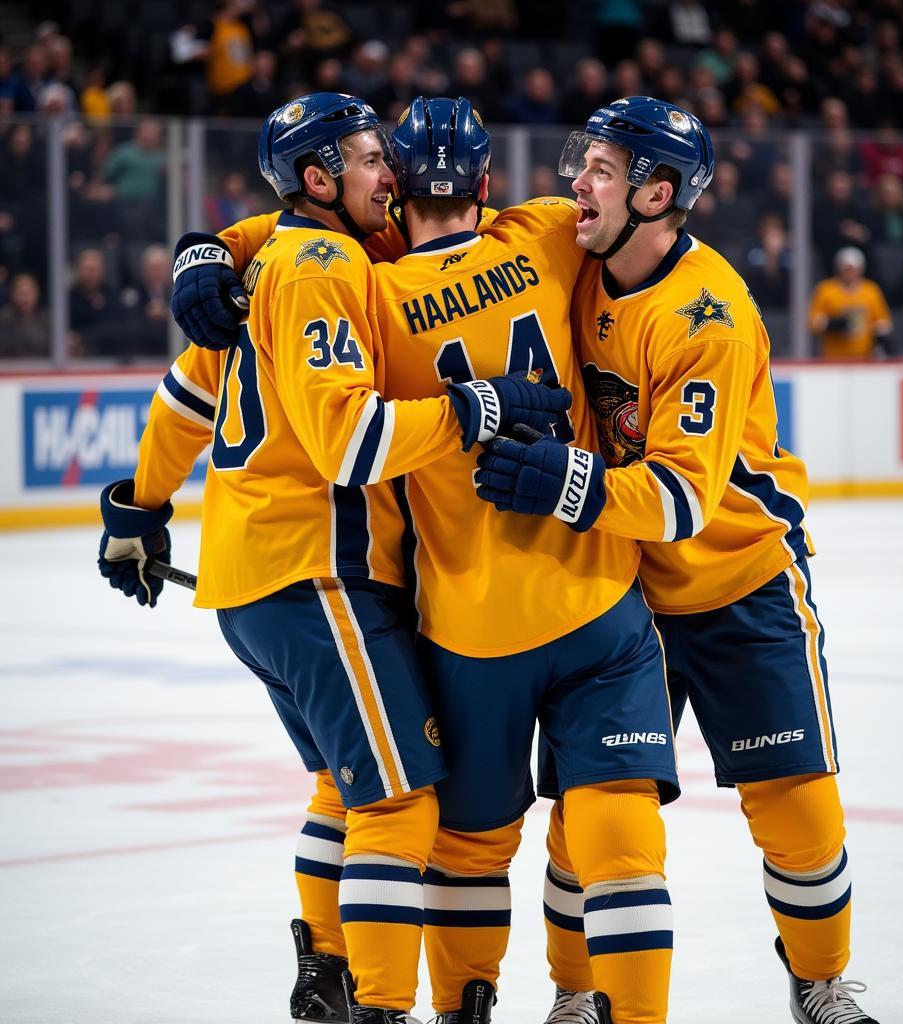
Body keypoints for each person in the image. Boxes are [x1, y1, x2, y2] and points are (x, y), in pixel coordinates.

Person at [172, 96, 681, 1024]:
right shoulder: (541, 238)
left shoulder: (368, 287)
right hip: (591, 585)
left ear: (395, 192)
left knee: (456, 836)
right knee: (605, 822)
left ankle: (455, 1003)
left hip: (459, 619)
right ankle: (605, 1009)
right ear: (488, 187)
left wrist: (209, 246)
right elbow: (623, 220)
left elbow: (272, 268)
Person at [98, 93, 571, 1024]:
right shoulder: (325, 263)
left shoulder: (276, 260)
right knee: (399, 806)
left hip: (255, 577)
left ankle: (323, 970)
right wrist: (481, 406)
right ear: (322, 180)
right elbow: (349, 446)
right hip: (319, 573)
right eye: (369, 160)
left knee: (346, 786)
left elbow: (186, 402)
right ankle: (380, 1008)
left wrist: (139, 508)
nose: (390, 174)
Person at [474, 96, 879, 1024]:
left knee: (801, 816)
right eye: (585, 163)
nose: (579, 181)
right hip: (622, 599)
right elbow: (424, 230)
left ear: (658, 194)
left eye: (604, 171)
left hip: (739, 582)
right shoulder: (570, 248)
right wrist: (219, 247)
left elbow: (684, 500)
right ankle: (577, 997)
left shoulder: (710, 313)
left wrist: (564, 483)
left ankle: (819, 981)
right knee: (589, 822)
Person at [809, 247, 892, 360]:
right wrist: (836, 324)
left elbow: (883, 322)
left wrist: (879, 338)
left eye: (853, 269)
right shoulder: (826, 290)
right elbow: (813, 322)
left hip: (864, 357)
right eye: (847, 269)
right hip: (833, 357)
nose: (850, 273)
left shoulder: (871, 291)